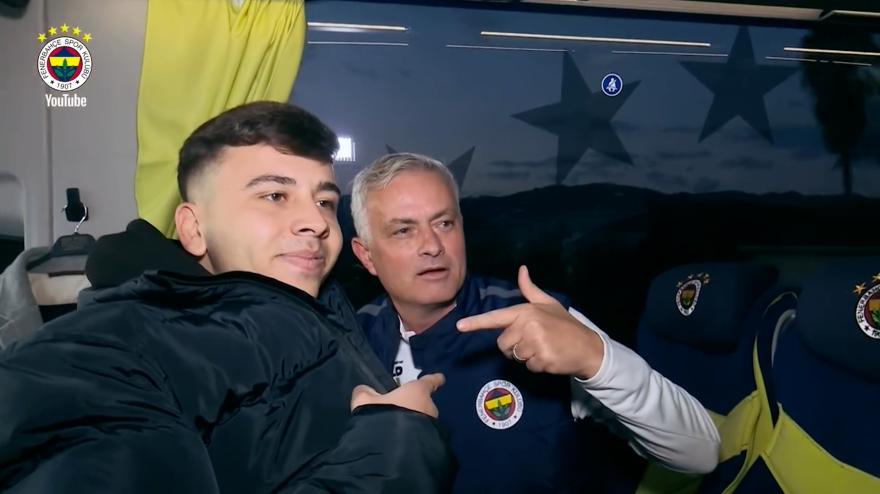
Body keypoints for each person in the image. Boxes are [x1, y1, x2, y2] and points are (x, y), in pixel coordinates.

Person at [0, 104, 454, 493]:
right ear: (194, 228)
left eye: (324, 202)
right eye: (274, 195)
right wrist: (396, 439)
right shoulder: (110, 353)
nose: (316, 223)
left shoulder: (323, 310)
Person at [350, 153, 721, 493]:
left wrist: (596, 359)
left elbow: (701, 453)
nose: (432, 245)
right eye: (404, 230)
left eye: (444, 223)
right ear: (366, 256)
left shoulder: (538, 319)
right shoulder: (351, 338)